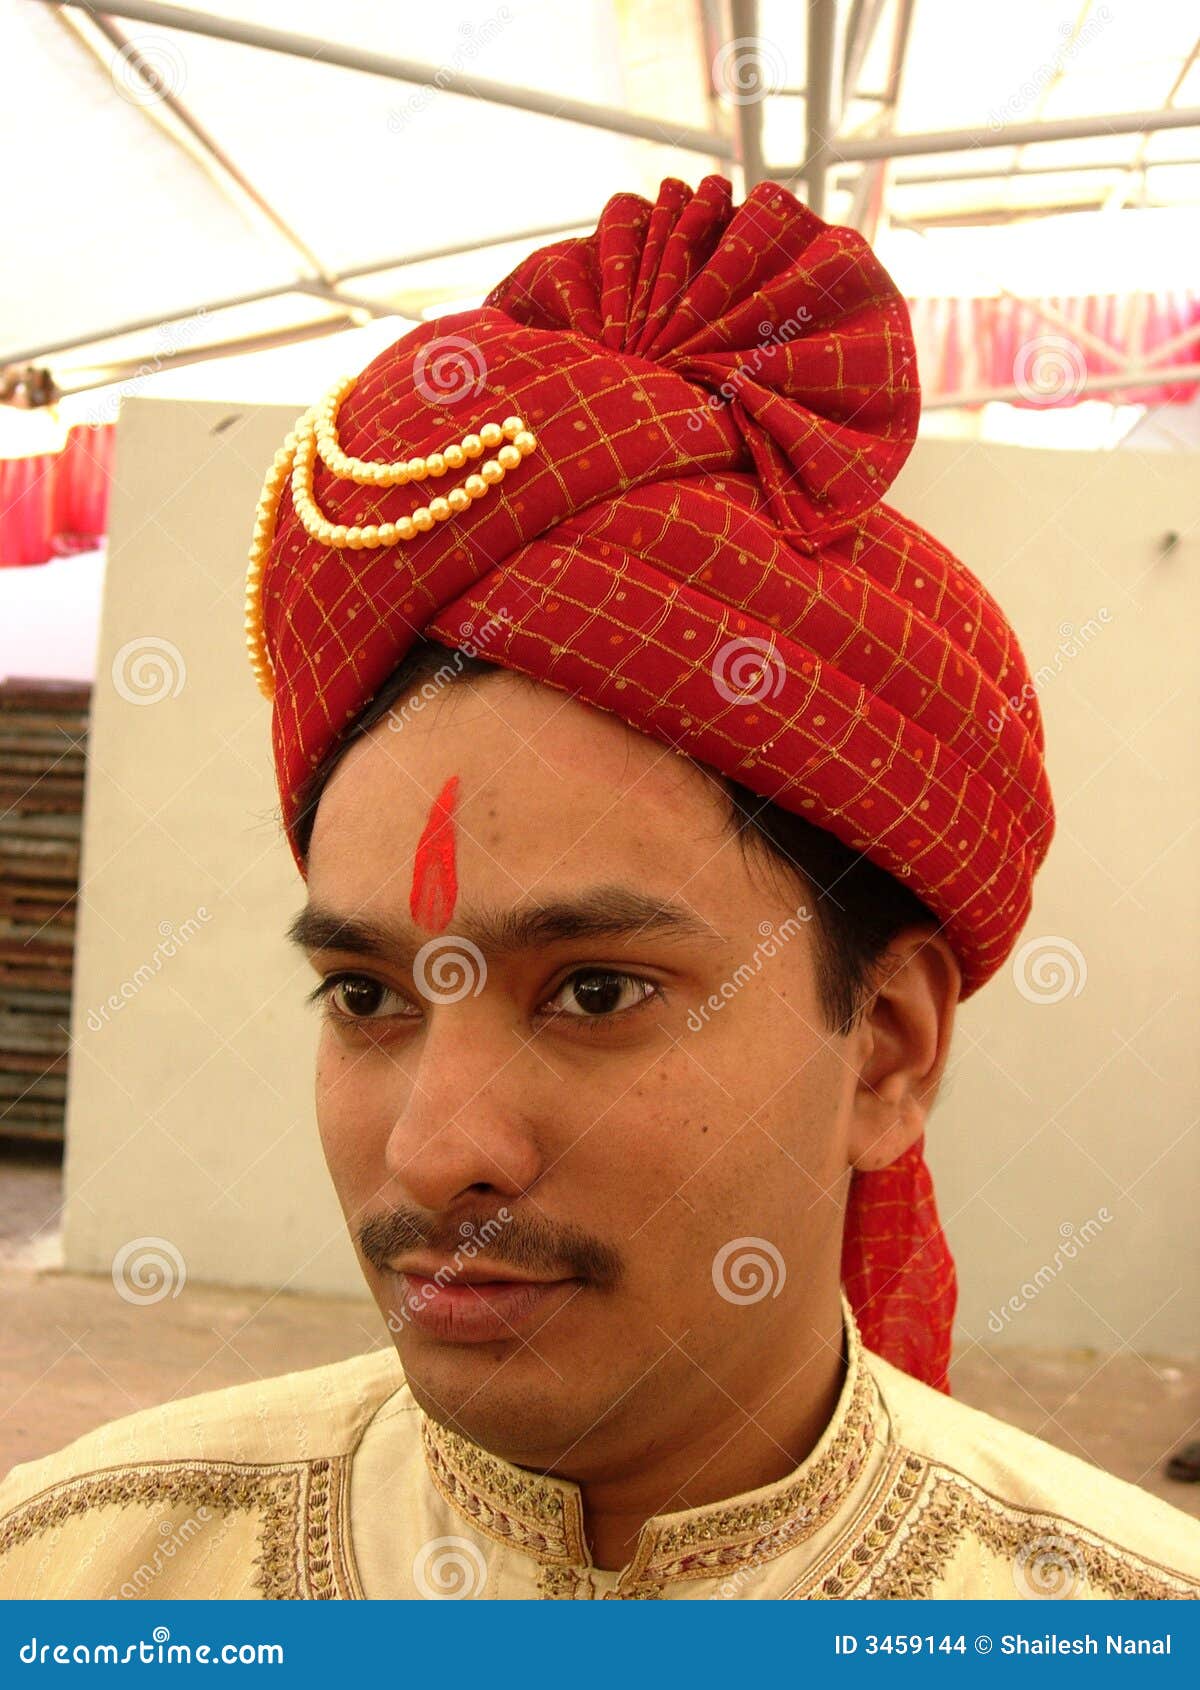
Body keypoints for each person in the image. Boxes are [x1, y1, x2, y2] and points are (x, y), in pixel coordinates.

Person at [1, 174, 1197, 1601]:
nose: (441, 1152)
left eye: (595, 989)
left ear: (887, 1049)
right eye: (367, 993)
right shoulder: (83, 1578)